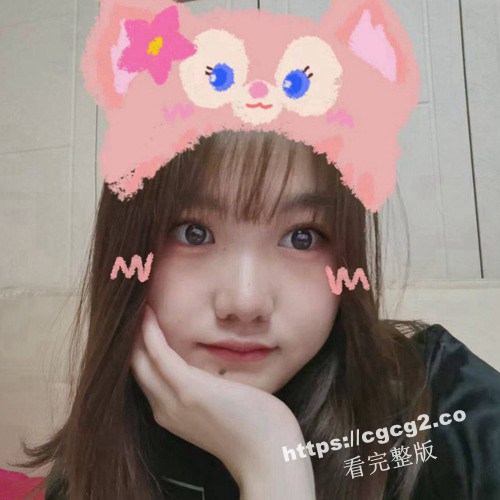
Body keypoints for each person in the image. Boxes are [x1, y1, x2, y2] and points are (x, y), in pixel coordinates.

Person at [11, 130, 500, 500]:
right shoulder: (95, 462)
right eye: (193, 232)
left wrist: (273, 460)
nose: (245, 304)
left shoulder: (440, 403)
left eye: (303, 237)